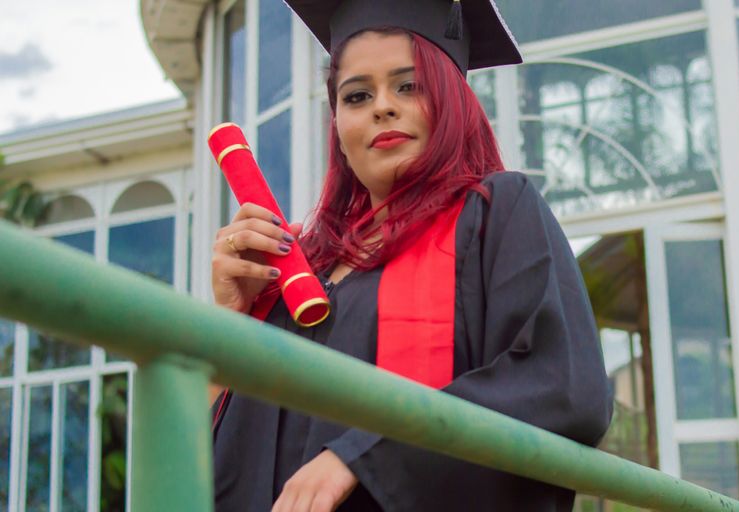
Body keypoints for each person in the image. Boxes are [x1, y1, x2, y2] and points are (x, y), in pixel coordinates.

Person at [208, 1, 613, 510]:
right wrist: (233, 321)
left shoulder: (494, 213)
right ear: (338, 126)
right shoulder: (298, 275)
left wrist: (359, 455)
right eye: (357, 95)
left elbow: (563, 385)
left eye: (408, 85)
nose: (382, 106)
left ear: (451, 100)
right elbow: (217, 466)